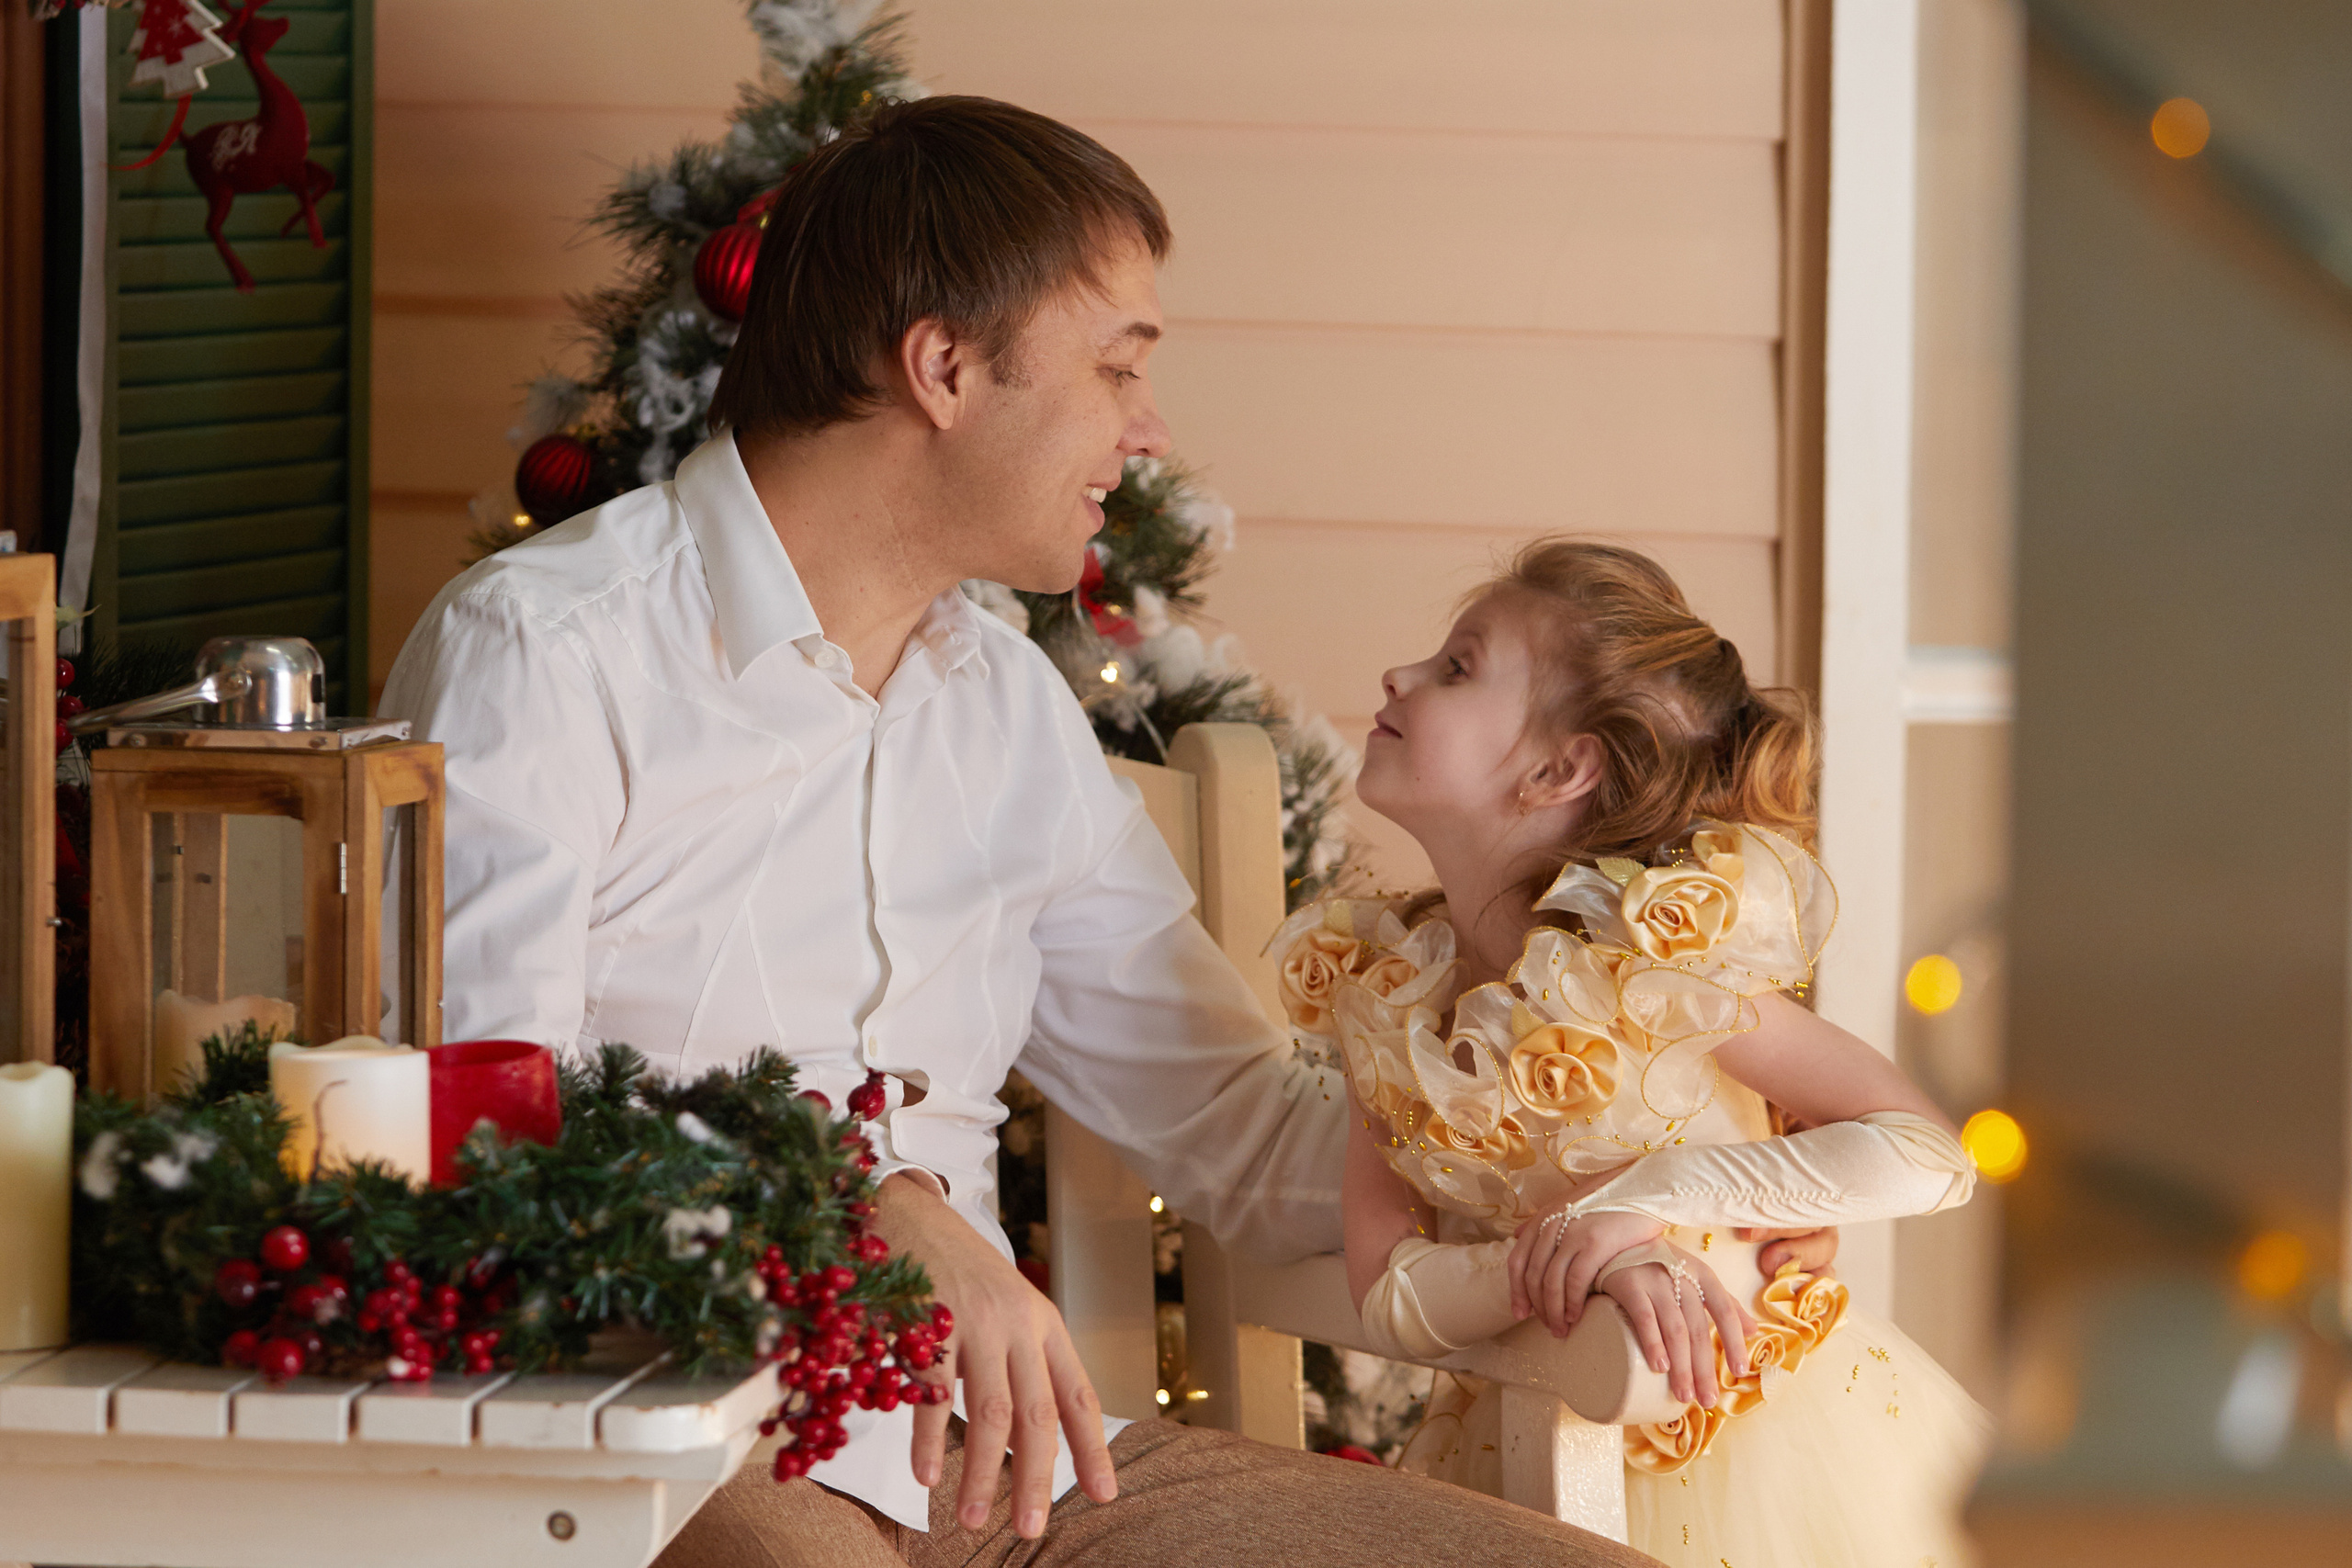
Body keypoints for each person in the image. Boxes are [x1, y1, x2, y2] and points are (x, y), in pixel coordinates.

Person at [381, 96, 1718, 1566]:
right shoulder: (549, 647)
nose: (1143, 434)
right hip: (668, 1427)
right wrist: (861, 1205)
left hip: (999, 1466)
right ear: (945, 366)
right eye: (1116, 368)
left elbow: (1243, 1125)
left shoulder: (1005, 707)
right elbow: (468, 1125)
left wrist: (1596, 1186)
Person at [1272, 541, 1989, 1568]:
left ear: (1559, 769)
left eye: (1457, 665)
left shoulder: (1656, 961)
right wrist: (1565, 1269)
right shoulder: (1388, 997)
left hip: (1782, 1456)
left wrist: (1654, 1194)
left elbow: (1928, 1155)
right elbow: (1389, 1288)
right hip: (1524, 1456)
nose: (1399, 675)